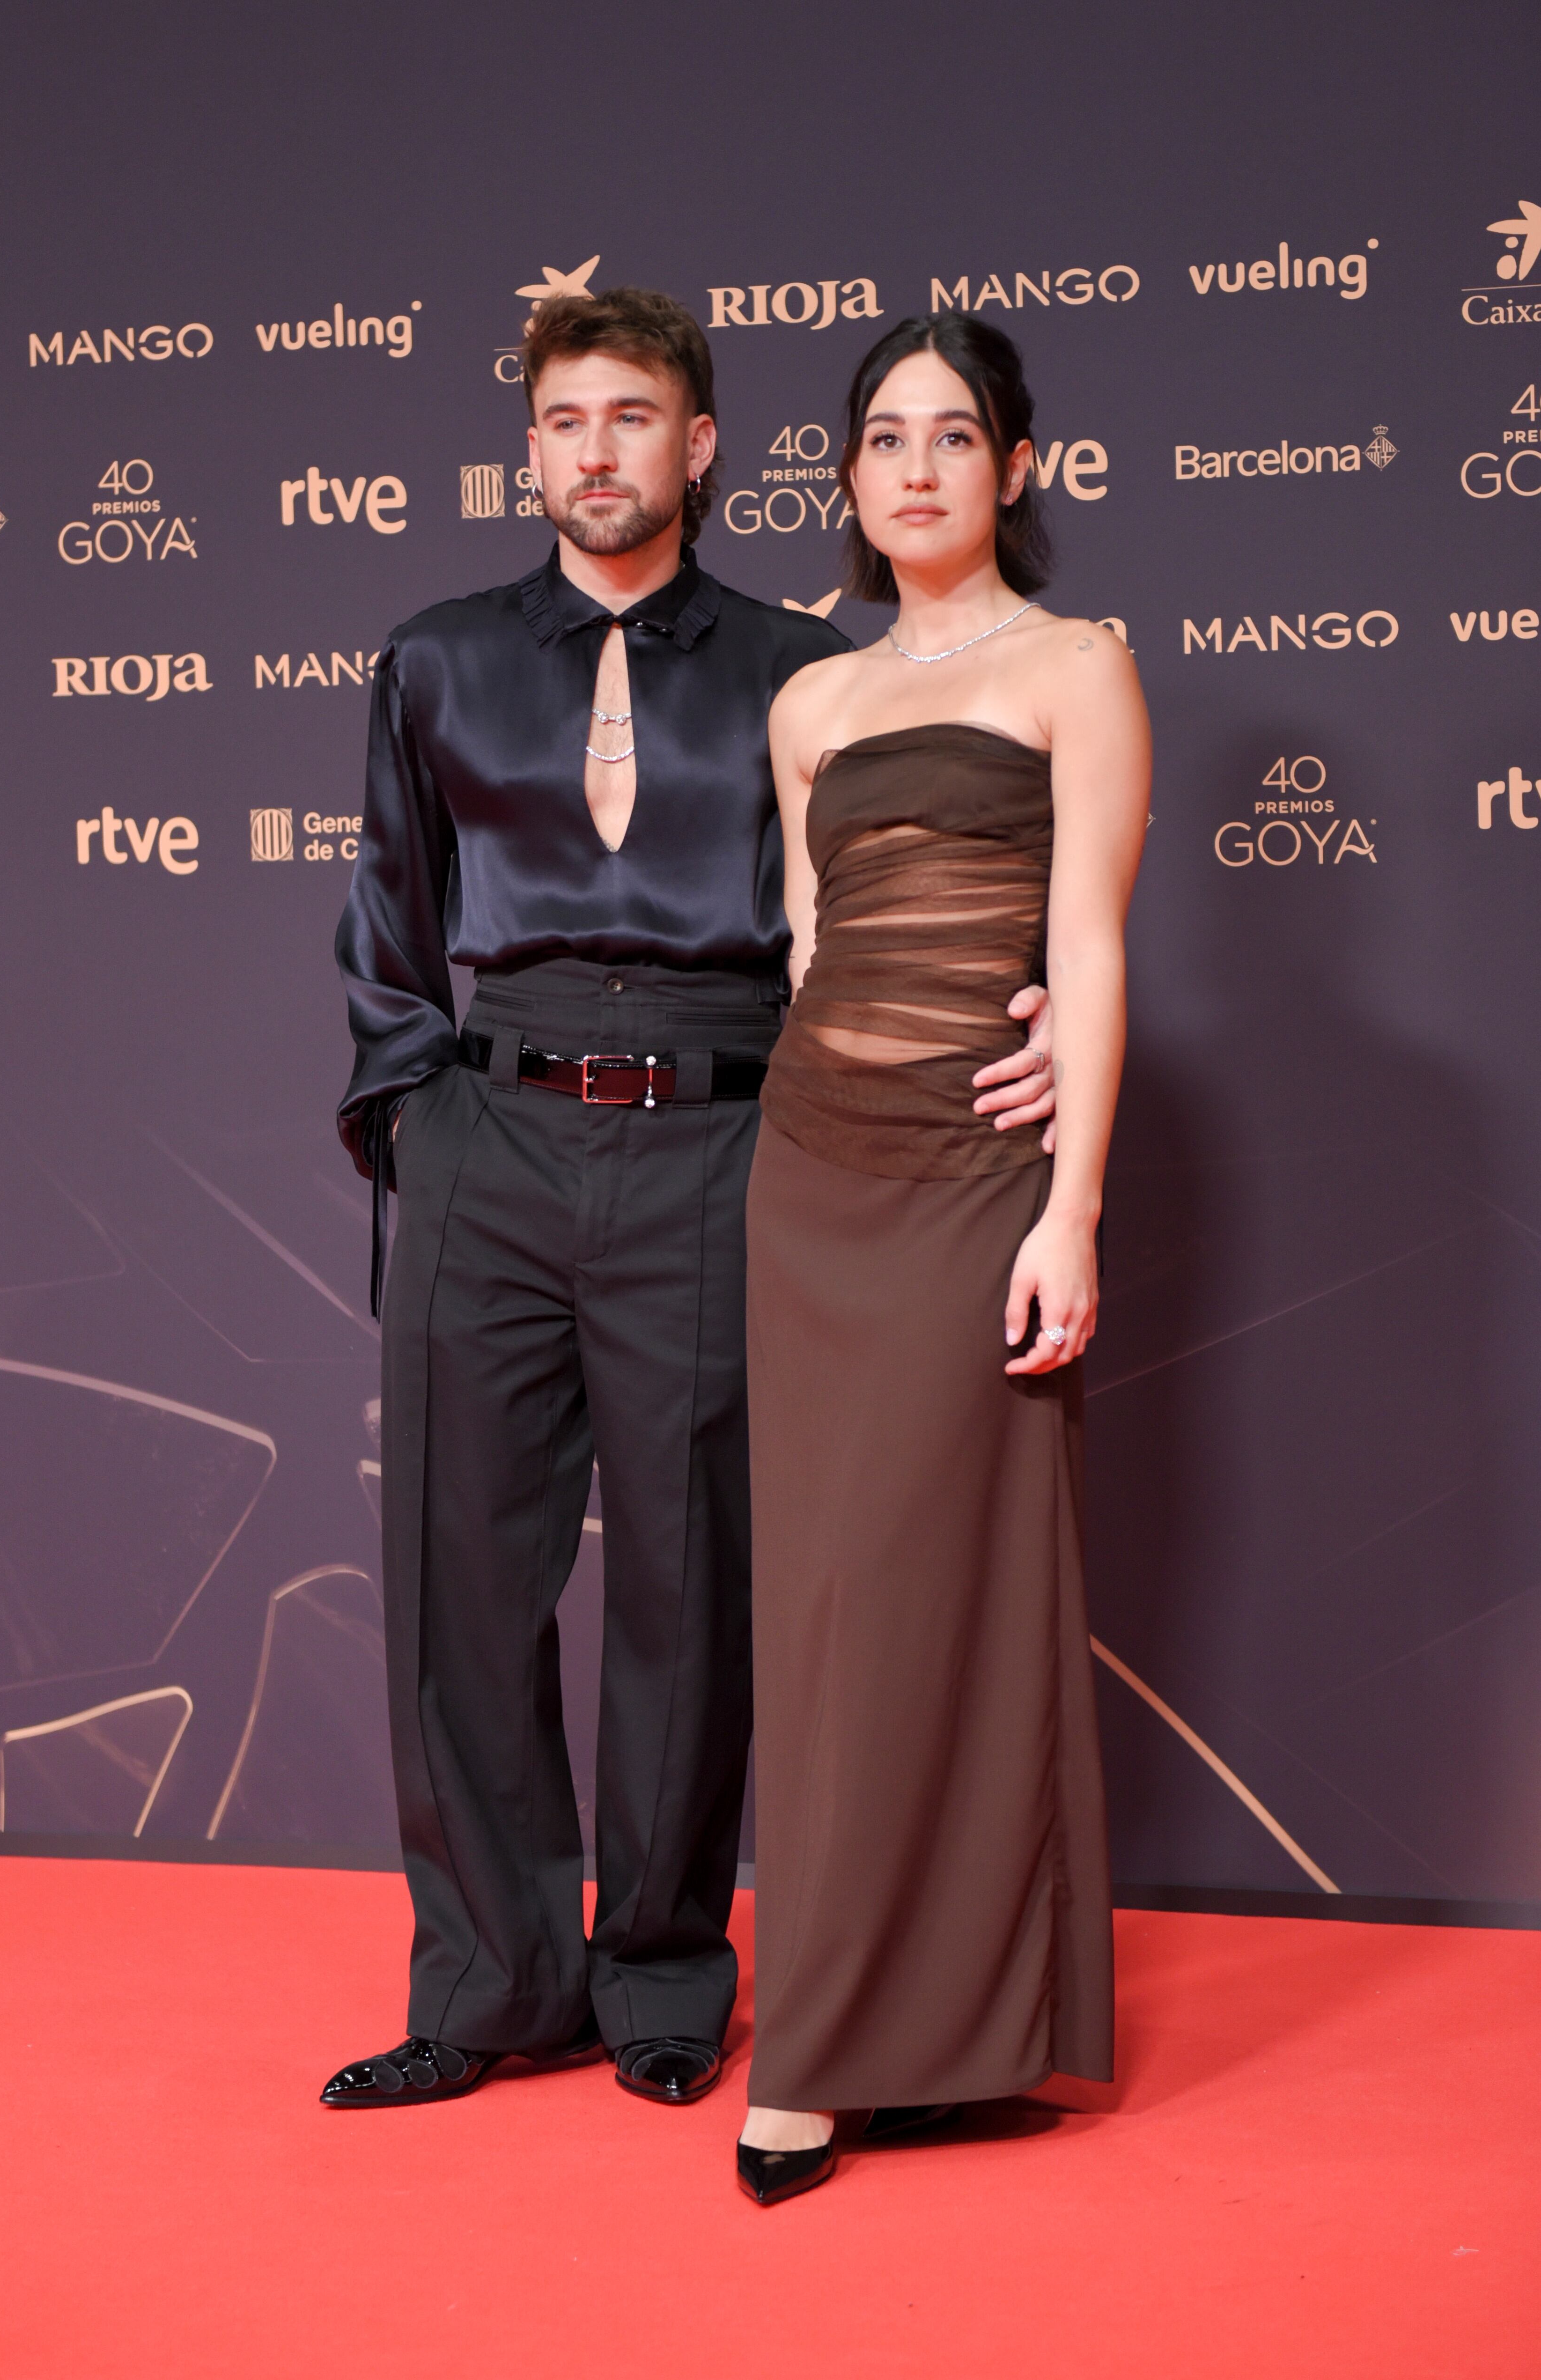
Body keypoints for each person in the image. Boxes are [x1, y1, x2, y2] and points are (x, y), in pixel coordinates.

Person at [323, 288, 1058, 2114]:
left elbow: (883, 912)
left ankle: (659, 1970)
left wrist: (1020, 1011)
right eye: (564, 418)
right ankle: (492, 1981)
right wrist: (423, 1127)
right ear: (532, 446)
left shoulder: (804, 667)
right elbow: (387, 929)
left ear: (702, 444)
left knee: (691, 1573)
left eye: (633, 416)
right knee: (459, 1575)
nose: (596, 450)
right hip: (489, 1130)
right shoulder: (430, 657)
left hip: (731, 1135)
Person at [736, 312, 1150, 2205]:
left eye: (955, 435)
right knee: (823, 1613)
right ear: (847, 475)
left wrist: (1071, 1199)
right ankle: (829, 2033)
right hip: (811, 1176)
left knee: (951, 1594)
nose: (916, 467)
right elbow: (817, 950)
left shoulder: (1079, 665)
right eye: (885, 437)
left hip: (976, 1183)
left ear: (1018, 468)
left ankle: (924, 2028)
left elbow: (1095, 941)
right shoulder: (809, 702)